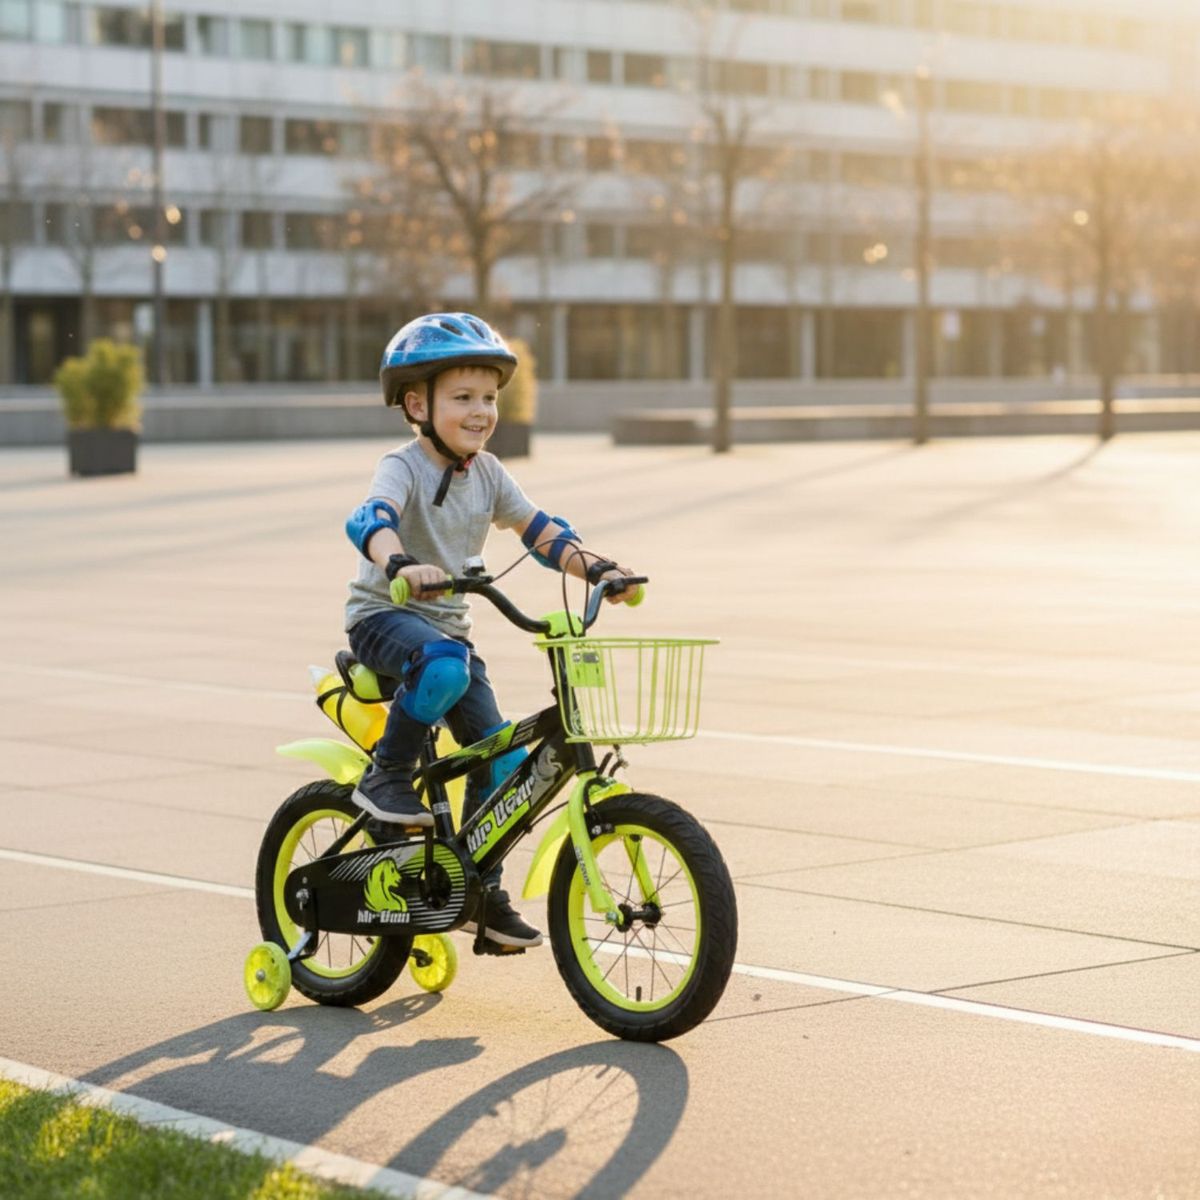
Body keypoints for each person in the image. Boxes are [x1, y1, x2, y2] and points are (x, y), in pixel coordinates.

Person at [343, 312, 640, 948]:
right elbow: (370, 519)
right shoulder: (404, 466)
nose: (481, 411)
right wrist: (398, 562)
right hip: (384, 619)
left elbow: (540, 532)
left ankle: (481, 890)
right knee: (444, 665)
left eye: (490, 398)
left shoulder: (489, 473)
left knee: (504, 759)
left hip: (447, 635)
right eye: (463, 398)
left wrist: (600, 570)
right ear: (417, 404)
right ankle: (385, 776)